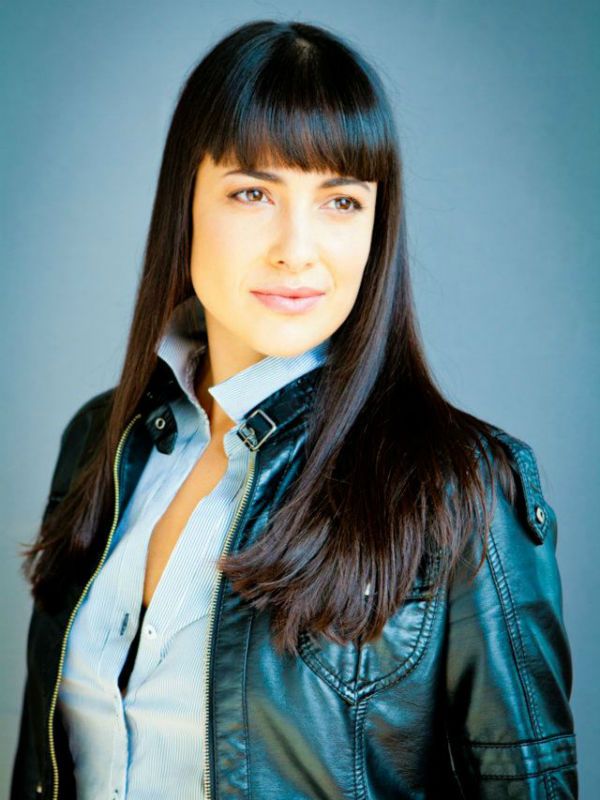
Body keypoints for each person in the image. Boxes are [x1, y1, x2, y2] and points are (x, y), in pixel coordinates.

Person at [10, 18, 577, 800]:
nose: (297, 249)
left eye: (340, 201)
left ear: (376, 225)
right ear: (186, 203)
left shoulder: (465, 489)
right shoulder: (100, 442)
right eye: (252, 193)